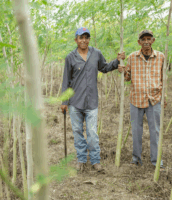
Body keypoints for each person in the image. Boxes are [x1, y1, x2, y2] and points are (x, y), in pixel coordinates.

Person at [60, 27, 125, 172]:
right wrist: (64, 102)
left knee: (92, 133)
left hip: (92, 102)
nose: (84, 40)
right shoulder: (70, 57)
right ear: (76, 40)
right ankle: (81, 160)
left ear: (89, 39)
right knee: (77, 132)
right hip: (75, 103)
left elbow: (105, 67)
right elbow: (66, 81)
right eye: (80, 37)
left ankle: (95, 161)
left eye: (86, 37)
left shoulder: (96, 54)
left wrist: (117, 61)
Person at [118, 30, 166, 169]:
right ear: (139, 42)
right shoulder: (132, 57)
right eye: (143, 39)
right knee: (136, 130)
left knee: (155, 131)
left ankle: (156, 161)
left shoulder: (161, 57)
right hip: (136, 100)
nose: (146, 41)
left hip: (154, 99)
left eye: (148, 39)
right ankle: (136, 159)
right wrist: (122, 69)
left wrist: (165, 97)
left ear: (153, 40)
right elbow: (127, 77)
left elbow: (164, 79)